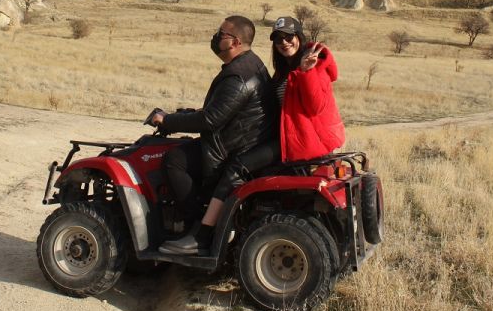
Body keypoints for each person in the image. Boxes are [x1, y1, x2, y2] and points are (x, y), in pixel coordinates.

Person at [148, 15, 276, 255]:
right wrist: (184, 115)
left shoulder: (238, 75)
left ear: (235, 42)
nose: (216, 37)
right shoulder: (251, 63)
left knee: (175, 160)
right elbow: (221, 112)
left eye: (221, 34)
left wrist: (167, 120)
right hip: (241, 140)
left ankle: (197, 228)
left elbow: (210, 119)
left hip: (232, 150)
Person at [269, 16, 345, 162]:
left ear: (299, 37)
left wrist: (306, 72)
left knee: (242, 164)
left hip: (311, 142)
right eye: (278, 39)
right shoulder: (283, 71)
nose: (284, 42)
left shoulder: (315, 65)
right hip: (293, 137)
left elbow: (315, 107)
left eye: (289, 36)